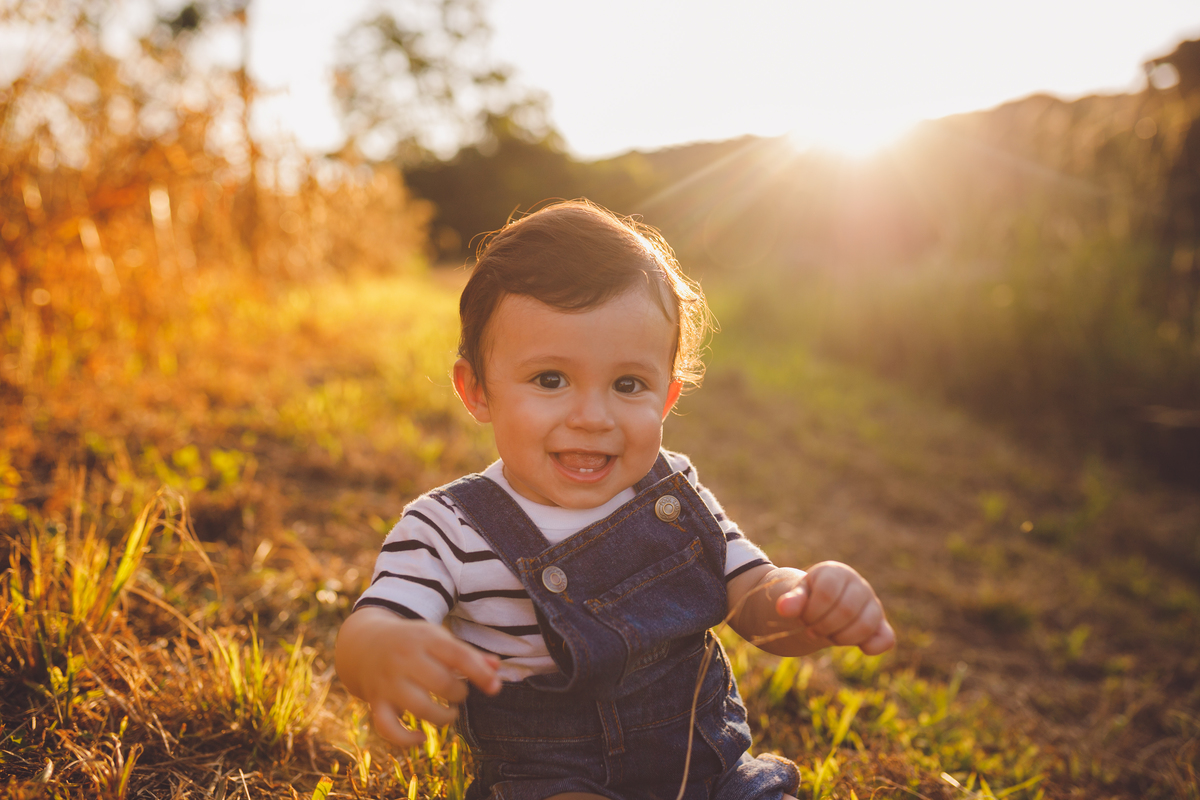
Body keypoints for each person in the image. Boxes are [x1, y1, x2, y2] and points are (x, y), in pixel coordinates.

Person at [336, 200, 895, 800]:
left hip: (711, 774)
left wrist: (804, 603)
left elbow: (755, 602)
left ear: (667, 397)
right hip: (552, 782)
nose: (592, 417)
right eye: (550, 380)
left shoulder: (672, 494)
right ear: (477, 391)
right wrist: (378, 650)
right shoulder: (447, 527)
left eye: (628, 385)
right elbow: (375, 620)